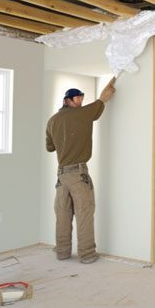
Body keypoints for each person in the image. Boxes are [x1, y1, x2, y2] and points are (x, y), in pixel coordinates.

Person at [45, 78, 116, 264]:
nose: (81, 102)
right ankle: (87, 254)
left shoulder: (52, 121)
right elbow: (103, 100)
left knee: (63, 213)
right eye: (77, 99)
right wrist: (109, 89)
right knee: (84, 212)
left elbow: (50, 147)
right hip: (78, 174)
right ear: (66, 100)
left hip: (61, 176)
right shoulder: (83, 114)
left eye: (82, 98)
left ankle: (62, 252)